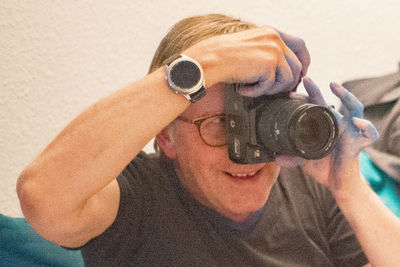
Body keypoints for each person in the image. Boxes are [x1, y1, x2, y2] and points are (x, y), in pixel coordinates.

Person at [16, 14, 400, 266]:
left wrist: (349, 188)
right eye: (220, 124)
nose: (246, 155)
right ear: (166, 135)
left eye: (256, 120)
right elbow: (42, 197)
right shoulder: (137, 197)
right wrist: (206, 63)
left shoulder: (305, 183)